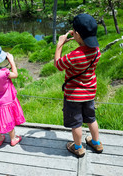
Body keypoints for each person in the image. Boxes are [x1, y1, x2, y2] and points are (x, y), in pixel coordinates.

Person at [54, 13, 103, 157]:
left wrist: (60, 45)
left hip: (74, 96)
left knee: (76, 123)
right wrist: (77, 38)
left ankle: (78, 147)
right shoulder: (96, 51)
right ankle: (96, 143)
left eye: (74, 32)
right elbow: (84, 52)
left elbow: (58, 64)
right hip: (89, 93)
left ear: (78, 34)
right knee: (91, 119)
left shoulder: (75, 55)